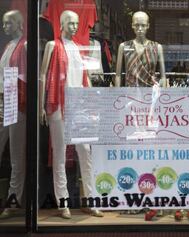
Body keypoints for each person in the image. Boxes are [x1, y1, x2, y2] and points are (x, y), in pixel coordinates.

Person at [39, 10, 103, 219]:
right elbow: (42, 76)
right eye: (71, 23)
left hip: (78, 106)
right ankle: (63, 202)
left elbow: (84, 78)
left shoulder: (77, 48)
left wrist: (92, 104)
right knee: (60, 153)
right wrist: (41, 105)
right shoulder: (52, 46)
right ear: (63, 24)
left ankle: (91, 200)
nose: (75, 27)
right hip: (57, 104)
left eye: (77, 23)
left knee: (85, 152)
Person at [0, 10, 27, 219]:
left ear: (18, 24)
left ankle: (13, 200)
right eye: (3, 24)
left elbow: (27, 78)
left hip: (17, 104)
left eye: (8, 24)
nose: (4, 27)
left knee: (16, 156)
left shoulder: (25, 45)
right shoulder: (9, 46)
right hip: (4, 102)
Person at [115, 11, 166, 87]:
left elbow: (163, 77)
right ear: (132, 25)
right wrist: (117, 94)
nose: (140, 28)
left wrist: (162, 96)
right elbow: (118, 75)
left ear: (148, 26)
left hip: (150, 93)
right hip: (130, 94)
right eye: (137, 25)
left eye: (143, 25)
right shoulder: (124, 47)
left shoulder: (157, 47)